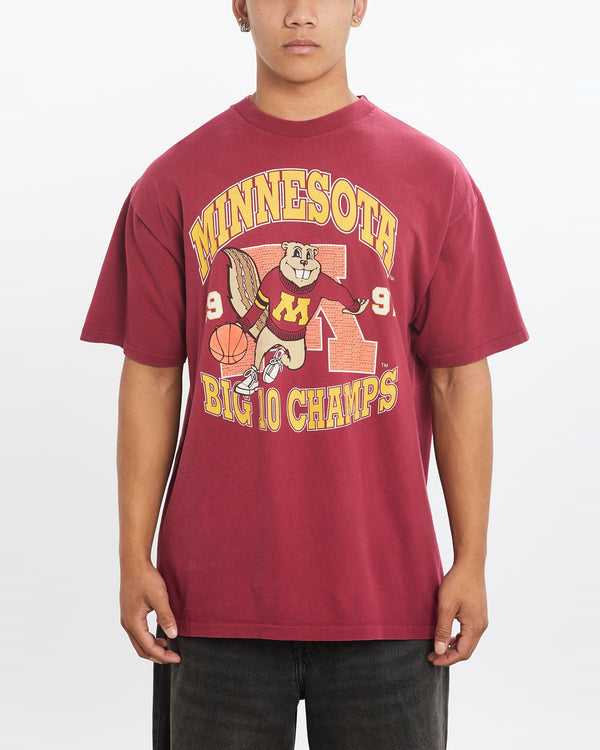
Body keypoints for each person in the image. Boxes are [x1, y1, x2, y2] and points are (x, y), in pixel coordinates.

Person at [81, 1, 528, 748]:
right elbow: (152, 376)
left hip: (388, 600)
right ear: (240, 6)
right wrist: (133, 555)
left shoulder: (435, 178)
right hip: (209, 600)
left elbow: (459, 378)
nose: (298, 13)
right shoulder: (173, 181)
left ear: (358, 5)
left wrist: (471, 560)